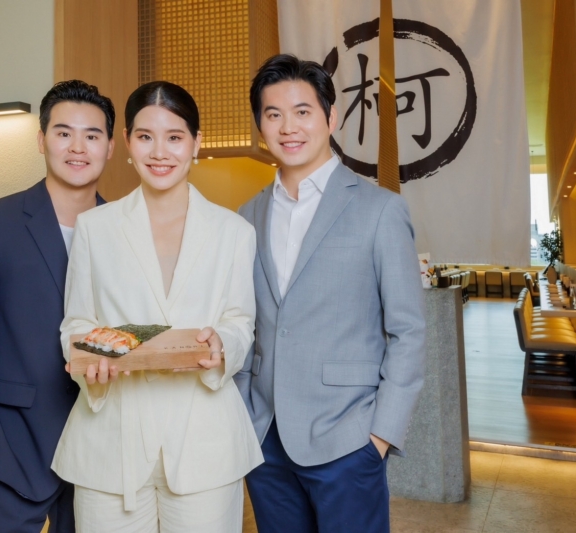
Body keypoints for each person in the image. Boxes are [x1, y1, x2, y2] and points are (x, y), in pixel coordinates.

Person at [51, 81, 263, 533]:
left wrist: (223, 344)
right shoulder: (95, 228)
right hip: (110, 439)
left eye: (175, 137)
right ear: (127, 142)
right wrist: (89, 360)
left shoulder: (233, 232)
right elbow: (78, 322)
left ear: (196, 143)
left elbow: (240, 321)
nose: (160, 152)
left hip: (204, 440)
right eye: (146, 136)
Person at [236, 54, 427, 533]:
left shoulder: (380, 210)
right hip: (265, 441)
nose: (288, 127)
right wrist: (243, 419)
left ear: (331, 117)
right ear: (261, 126)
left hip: (348, 440)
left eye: (302, 111)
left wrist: (380, 437)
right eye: (274, 114)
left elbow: (408, 330)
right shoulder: (246, 216)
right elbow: (243, 322)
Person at [0, 80, 116, 532]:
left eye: (92, 135)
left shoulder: (125, 232)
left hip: (99, 452)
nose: (78, 147)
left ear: (111, 147)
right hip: (8, 452)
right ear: (41, 140)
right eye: (63, 133)